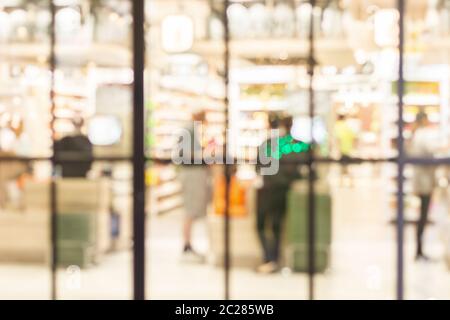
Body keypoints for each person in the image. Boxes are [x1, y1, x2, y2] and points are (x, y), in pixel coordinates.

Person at [255, 114, 301, 273]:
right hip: (284, 190)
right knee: (277, 225)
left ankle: (269, 258)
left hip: (268, 189)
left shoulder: (267, 144)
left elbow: (258, 167)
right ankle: (274, 259)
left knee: (261, 224)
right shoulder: (298, 145)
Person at [178, 110, 210, 263]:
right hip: (191, 174)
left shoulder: (192, 129)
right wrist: (203, 156)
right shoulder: (189, 128)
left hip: (193, 174)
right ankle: (187, 245)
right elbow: (184, 154)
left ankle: (188, 244)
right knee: (190, 211)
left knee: (192, 210)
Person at [409, 112, 438, 261]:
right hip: (424, 181)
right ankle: (419, 251)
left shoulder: (416, 135)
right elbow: (431, 150)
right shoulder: (422, 135)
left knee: (422, 215)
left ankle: (419, 250)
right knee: (423, 216)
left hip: (421, 180)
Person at [334, 114, 356, 186]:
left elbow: (338, 139)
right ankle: (351, 182)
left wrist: (337, 149)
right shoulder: (348, 126)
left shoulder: (338, 126)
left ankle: (341, 182)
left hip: (342, 149)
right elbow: (354, 137)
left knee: (341, 166)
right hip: (349, 149)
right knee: (349, 166)